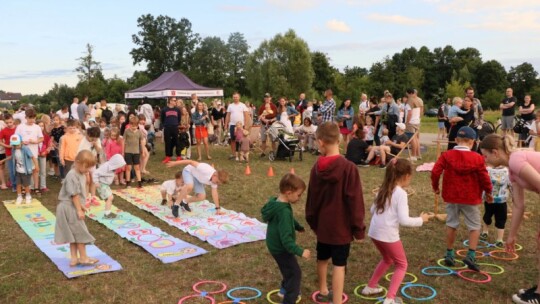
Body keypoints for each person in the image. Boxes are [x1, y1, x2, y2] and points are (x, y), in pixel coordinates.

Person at [305, 122, 365, 304]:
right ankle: (335, 299)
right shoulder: (349, 168)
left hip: (324, 226)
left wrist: (313, 222)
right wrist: (358, 229)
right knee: (339, 264)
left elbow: (311, 200)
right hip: (341, 229)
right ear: (338, 139)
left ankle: (324, 288)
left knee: (322, 258)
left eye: (316, 142)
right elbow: (356, 202)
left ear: (321, 142)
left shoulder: (318, 168)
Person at [477, 135, 540, 303]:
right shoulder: (512, 171)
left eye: (485, 155)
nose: (484, 159)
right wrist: (511, 236)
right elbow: (519, 205)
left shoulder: (516, 160)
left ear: (495, 152)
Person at [362, 158, 429, 304]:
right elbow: (404, 220)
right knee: (402, 264)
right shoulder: (401, 194)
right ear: (406, 176)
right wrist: (421, 220)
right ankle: (390, 299)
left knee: (388, 259)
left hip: (374, 233)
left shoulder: (383, 189)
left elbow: (372, 209)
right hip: (387, 235)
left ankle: (371, 286)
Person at [431, 126, 493, 272]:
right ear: (472, 142)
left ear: (457, 140)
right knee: (474, 226)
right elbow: (484, 177)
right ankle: (471, 255)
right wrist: (489, 192)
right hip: (470, 197)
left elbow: (435, 172)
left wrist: (435, 187)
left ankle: (449, 253)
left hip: (452, 196)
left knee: (452, 224)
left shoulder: (446, 155)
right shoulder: (478, 158)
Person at [261, 173, 310, 304]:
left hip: (273, 244)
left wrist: (297, 226)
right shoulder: (283, 211)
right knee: (295, 274)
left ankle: (283, 290)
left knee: (287, 269)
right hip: (281, 248)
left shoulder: (277, 202)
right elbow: (286, 240)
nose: (299, 198)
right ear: (289, 192)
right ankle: (288, 300)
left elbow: (288, 219)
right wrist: (300, 251)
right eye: (299, 195)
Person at [54, 150, 99, 267]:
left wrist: (82, 205)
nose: (88, 170)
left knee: (73, 234)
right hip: (70, 208)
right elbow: (74, 195)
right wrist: (79, 209)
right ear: (77, 162)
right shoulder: (72, 175)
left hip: (72, 205)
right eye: (86, 167)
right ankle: (83, 258)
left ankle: (74, 258)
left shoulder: (81, 173)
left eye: (90, 167)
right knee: (80, 233)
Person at [480, 164, 510, 248]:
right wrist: (514, 196)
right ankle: (499, 239)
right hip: (501, 200)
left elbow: (483, 183)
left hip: (489, 199)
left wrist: (482, 196)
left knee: (487, 215)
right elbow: (511, 184)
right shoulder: (507, 171)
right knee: (501, 219)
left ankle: (485, 232)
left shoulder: (487, 170)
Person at [15, 108, 43, 193]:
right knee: (24, 170)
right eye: (30, 118)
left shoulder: (37, 127)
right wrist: (21, 142)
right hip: (22, 152)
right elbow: (15, 139)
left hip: (33, 151)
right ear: (26, 117)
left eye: (33, 118)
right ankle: (25, 187)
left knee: (35, 169)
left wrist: (35, 141)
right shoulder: (20, 127)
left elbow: (41, 138)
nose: (32, 120)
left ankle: (36, 187)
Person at [92, 154, 126, 219]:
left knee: (110, 198)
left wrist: (114, 176)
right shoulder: (105, 167)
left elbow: (110, 173)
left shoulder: (112, 167)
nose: (119, 167)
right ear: (115, 163)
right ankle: (107, 214)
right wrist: (96, 182)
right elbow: (95, 173)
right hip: (101, 184)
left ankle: (107, 211)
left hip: (105, 185)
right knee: (109, 198)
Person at [8, 134, 38, 204]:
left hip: (26, 171)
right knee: (18, 184)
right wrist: (3, 160)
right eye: (14, 145)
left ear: (21, 142)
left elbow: (33, 157)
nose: (16, 146)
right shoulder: (14, 149)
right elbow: (12, 157)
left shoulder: (25, 149)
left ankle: (28, 196)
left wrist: (37, 166)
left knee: (26, 185)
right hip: (18, 170)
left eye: (17, 144)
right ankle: (19, 196)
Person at [224, 92, 250, 159]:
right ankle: (234, 154)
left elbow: (246, 115)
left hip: (241, 126)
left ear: (239, 97)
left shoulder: (243, 105)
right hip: (232, 125)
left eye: (236, 97)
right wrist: (226, 124)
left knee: (241, 140)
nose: (235, 98)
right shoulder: (230, 106)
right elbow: (228, 115)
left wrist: (246, 125)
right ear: (233, 98)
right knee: (233, 140)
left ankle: (242, 154)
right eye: (234, 97)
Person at [123, 116, 143, 188]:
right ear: (129, 124)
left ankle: (139, 182)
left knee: (137, 167)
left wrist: (142, 151)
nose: (133, 127)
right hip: (128, 151)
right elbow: (124, 141)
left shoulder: (139, 132)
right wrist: (123, 151)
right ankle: (128, 182)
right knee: (128, 167)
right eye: (132, 125)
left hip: (136, 152)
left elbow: (141, 142)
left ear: (137, 125)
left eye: (135, 126)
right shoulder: (126, 131)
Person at [160, 97, 181, 163]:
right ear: (170, 101)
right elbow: (162, 119)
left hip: (175, 127)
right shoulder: (164, 109)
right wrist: (165, 125)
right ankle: (168, 156)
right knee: (167, 142)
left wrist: (176, 124)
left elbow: (179, 118)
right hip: (167, 128)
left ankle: (178, 156)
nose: (175, 102)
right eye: (174, 100)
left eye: (176, 100)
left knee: (177, 142)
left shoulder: (177, 110)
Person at [0, 114, 17, 191]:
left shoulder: (18, 129)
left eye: (10, 122)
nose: (9, 124)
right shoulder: (3, 131)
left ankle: (19, 185)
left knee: (19, 169)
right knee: (12, 170)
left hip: (19, 152)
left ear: (13, 120)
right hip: (9, 153)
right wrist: (7, 146)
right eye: (7, 123)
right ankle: (14, 185)